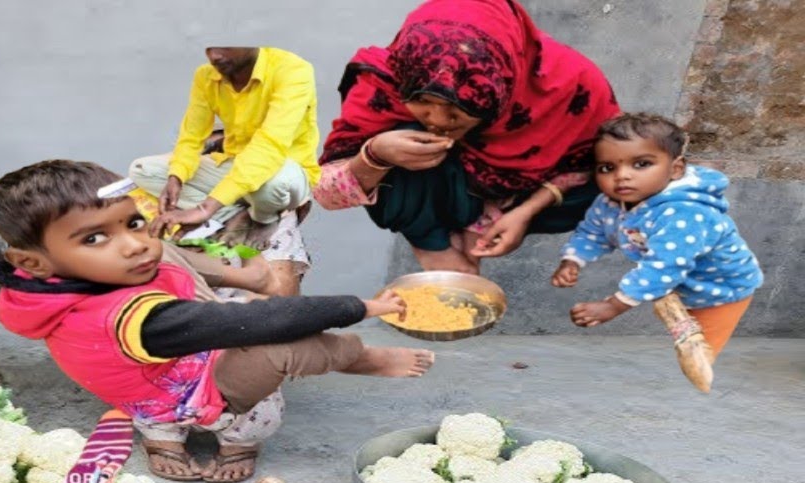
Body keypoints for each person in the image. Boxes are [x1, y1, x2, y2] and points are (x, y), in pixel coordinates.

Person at [0, 160, 434, 483]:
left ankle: (164, 433)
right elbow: (261, 321)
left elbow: (174, 262)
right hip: (174, 390)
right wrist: (360, 307)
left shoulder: (48, 283)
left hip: (146, 375)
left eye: (134, 222)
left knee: (180, 263)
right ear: (33, 261)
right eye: (96, 237)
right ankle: (350, 365)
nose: (135, 244)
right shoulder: (135, 321)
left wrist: (239, 273)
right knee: (282, 346)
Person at [313, 0, 620, 274]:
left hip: (519, 188)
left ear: (500, 82)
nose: (438, 120)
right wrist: (375, 155)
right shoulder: (382, 86)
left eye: (457, 107)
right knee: (404, 134)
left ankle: (483, 223)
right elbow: (326, 193)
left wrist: (524, 213)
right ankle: (432, 243)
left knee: (618, 177)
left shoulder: (570, 83)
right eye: (420, 101)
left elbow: (602, 162)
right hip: (433, 190)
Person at [550, 113, 763, 357]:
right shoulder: (610, 203)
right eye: (607, 168)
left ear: (676, 169)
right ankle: (677, 310)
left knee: (699, 356)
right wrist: (573, 260)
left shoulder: (685, 213)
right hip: (678, 281)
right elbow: (593, 232)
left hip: (721, 287)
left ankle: (690, 342)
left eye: (641, 164)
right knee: (669, 298)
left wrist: (613, 305)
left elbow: (664, 265)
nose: (622, 176)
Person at [129, 47, 321, 295]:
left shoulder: (293, 70)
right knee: (143, 170)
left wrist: (205, 208)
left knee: (271, 186)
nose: (215, 56)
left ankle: (262, 218)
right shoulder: (206, 75)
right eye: (210, 48)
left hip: (284, 171)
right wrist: (177, 177)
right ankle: (235, 213)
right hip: (232, 167)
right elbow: (192, 136)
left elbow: (269, 145)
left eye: (224, 47)